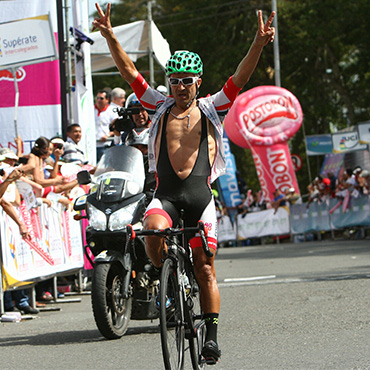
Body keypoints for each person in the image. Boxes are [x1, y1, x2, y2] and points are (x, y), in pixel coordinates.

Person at [93, 3, 275, 364]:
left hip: (199, 197)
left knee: (206, 267)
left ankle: (211, 334)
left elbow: (240, 77)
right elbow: (129, 73)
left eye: (186, 81)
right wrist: (110, 35)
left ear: (198, 83)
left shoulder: (212, 107)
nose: (179, 87)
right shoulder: (158, 105)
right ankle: (168, 276)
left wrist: (258, 43)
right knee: (152, 232)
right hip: (166, 196)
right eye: (174, 80)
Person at [94, 89, 116, 161]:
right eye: (97, 98)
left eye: (101, 98)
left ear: (107, 100)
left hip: (105, 145)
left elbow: (117, 128)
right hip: (92, 146)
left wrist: (108, 135)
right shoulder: (90, 110)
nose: (99, 100)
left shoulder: (111, 111)